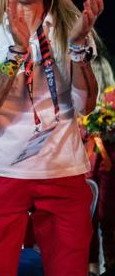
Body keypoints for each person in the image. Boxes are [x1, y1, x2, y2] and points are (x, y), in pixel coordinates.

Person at [0, 0, 102, 276]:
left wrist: (78, 47)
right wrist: (16, 50)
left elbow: (85, 104)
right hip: (2, 174)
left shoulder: (72, 25)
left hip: (63, 173)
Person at [87, 55, 115, 276]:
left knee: (107, 216)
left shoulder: (112, 101)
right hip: (86, 165)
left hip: (108, 166)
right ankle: (92, 265)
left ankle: (111, 263)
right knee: (90, 216)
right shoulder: (82, 99)